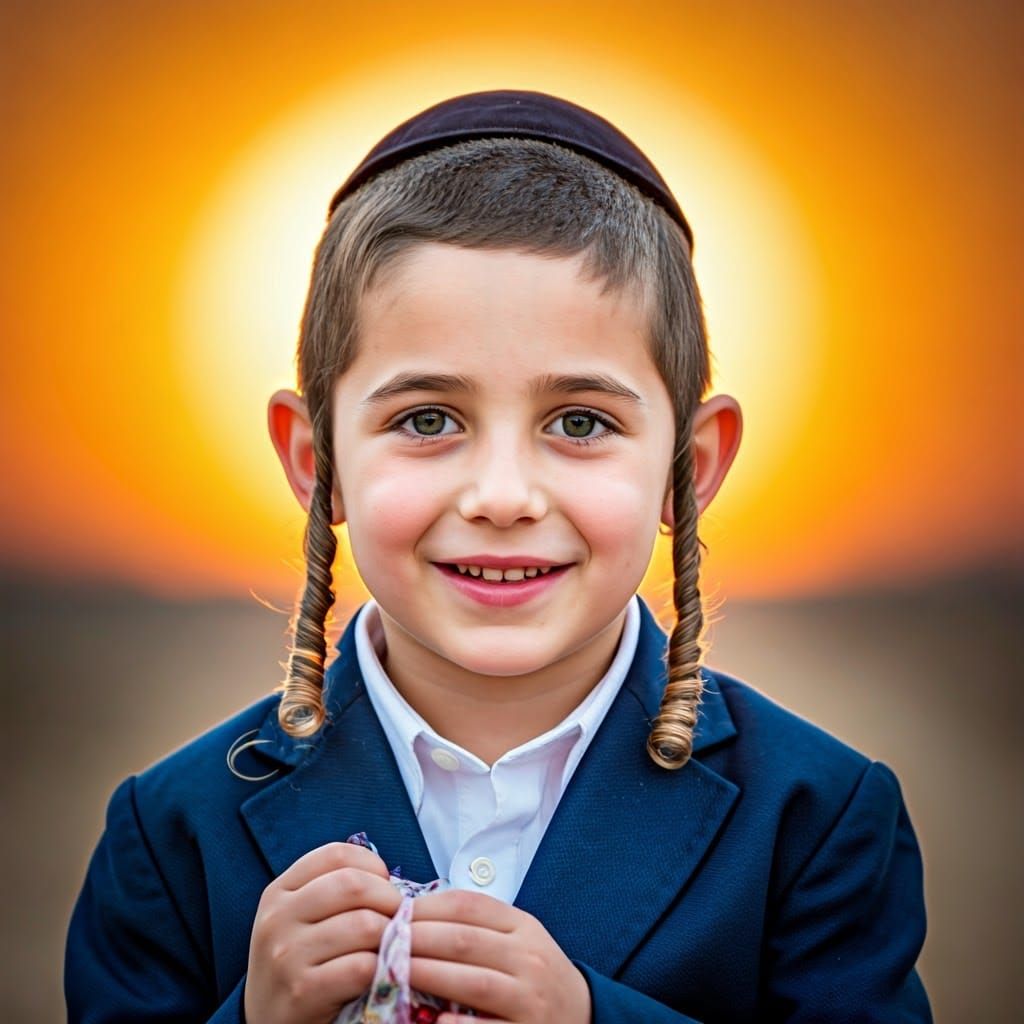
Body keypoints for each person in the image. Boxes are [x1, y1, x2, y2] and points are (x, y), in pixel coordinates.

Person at [64, 90, 932, 1023]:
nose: (504, 496)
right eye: (427, 420)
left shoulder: (818, 817)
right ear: (318, 463)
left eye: (580, 422)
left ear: (690, 465)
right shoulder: (170, 834)